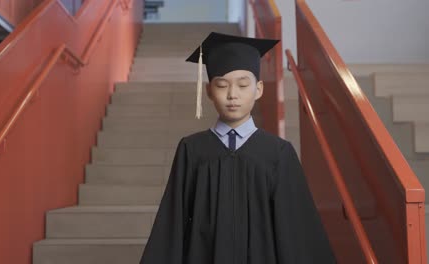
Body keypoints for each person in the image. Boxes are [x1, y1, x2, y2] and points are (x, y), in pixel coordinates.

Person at [139, 32, 336, 264]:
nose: (233, 95)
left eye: (243, 85)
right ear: (209, 91)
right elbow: (171, 225)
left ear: (259, 89)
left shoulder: (278, 153)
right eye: (222, 85)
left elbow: (295, 232)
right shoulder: (192, 150)